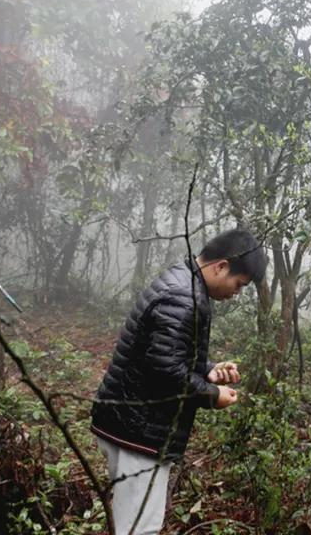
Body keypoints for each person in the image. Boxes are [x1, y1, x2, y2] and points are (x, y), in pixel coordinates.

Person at [91, 228, 267, 535]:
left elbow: (163, 354)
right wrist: (213, 395)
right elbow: (164, 370)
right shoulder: (185, 297)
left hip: (126, 420)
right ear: (221, 266)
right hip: (138, 431)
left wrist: (207, 370)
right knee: (138, 529)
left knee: (129, 523)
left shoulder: (182, 279)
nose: (235, 293)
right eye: (238, 285)